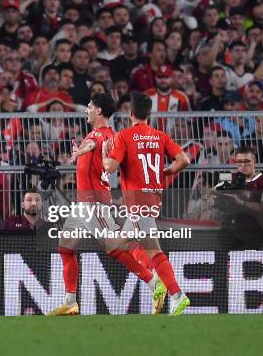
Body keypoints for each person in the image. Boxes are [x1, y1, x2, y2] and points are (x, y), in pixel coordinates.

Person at [48, 93, 162, 316]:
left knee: (115, 247)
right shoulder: (96, 133)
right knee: (65, 247)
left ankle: (153, 282)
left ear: (98, 110)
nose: (86, 110)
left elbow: (94, 144)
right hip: (83, 203)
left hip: (95, 203)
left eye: (89, 106)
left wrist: (82, 149)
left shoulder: (105, 135)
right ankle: (70, 301)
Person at [102, 91, 191, 315]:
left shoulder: (124, 136)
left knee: (154, 251)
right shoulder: (160, 136)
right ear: (149, 114)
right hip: (152, 197)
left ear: (130, 113)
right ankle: (155, 283)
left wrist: (104, 154)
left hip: (137, 201)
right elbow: (184, 160)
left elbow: (110, 167)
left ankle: (177, 295)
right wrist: (165, 172)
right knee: (118, 244)